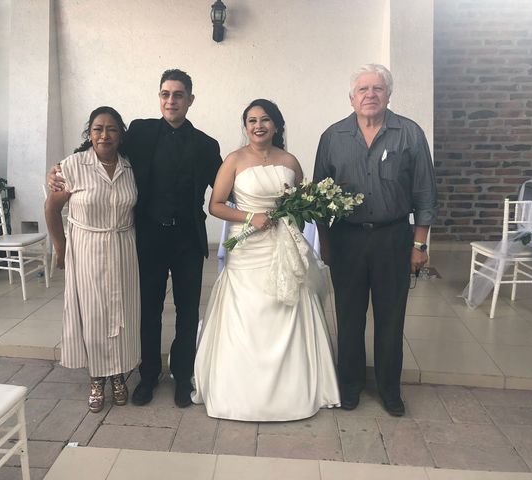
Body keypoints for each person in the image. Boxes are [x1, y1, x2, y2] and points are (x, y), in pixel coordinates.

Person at [48, 70, 222, 408]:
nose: (171, 100)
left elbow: (226, 183)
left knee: (187, 311)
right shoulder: (140, 131)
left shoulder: (206, 144)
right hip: (148, 238)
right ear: (160, 98)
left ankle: (183, 377)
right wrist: (57, 169)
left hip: (188, 238)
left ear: (190, 100)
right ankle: (149, 374)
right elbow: (99, 144)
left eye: (178, 95)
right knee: (148, 310)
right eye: (165, 94)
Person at [191, 99, 341, 421]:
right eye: (251, 121)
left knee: (286, 305)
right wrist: (249, 217)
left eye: (265, 120)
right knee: (248, 313)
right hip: (247, 248)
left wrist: (300, 212)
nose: (258, 125)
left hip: (282, 243)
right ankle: (240, 392)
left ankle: (292, 389)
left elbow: (304, 200)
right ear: (245, 127)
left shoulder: (290, 161)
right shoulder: (233, 160)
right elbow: (215, 205)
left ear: (276, 125)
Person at [313, 64, 438, 417]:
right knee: (349, 317)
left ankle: (389, 390)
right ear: (351, 98)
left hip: (393, 238)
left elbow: (426, 194)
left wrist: (419, 244)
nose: (370, 94)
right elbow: (319, 196)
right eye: (363, 89)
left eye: (378, 88)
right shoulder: (332, 136)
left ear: (388, 95)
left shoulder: (409, 134)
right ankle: (349, 387)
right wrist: (325, 242)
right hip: (346, 238)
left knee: (391, 317)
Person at [45, 106, 139, 413]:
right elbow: (51, 208)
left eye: (112, 129)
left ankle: (118, 376)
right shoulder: (73, 166)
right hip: (87, 249)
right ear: (89, 133)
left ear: (121, 134)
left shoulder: (129, 166)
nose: (104, 135)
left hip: (123, 247)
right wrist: (60, 247)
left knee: (122, 313)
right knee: (95, 314)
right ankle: (97, 378)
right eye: (98, 129)